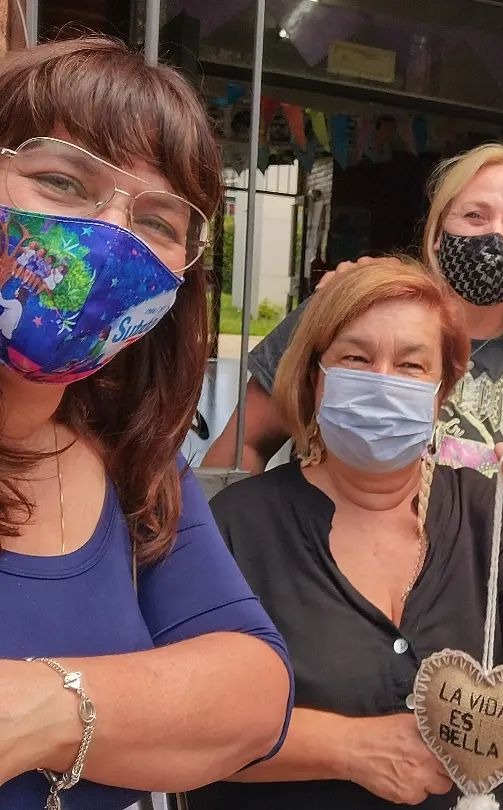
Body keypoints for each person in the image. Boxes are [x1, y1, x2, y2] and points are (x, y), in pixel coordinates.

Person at [0, 38, 292, 809]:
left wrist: (42, 709)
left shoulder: (140, 472)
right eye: (62, 181)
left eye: (158, 221)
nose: (111, 237)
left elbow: (256, 694)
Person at [187, 257, 503, 809]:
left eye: (411, 365)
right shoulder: (238, 524)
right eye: (356, 358)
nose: (382, 381)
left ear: (442, 391)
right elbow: (188, 726)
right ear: (314, 377)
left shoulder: (488, 510)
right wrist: (347, 748)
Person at [202, 143, 503, 472]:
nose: (494, 237)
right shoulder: (351, 306)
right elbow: (243, 446)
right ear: (438, 233)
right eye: (474, 215)